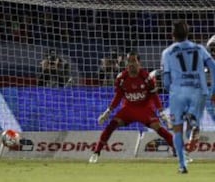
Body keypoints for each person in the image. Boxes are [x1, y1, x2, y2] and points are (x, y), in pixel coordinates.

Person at [89, 51, 174, 164]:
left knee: (159, 129)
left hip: (144, 109)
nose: (131, 64)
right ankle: (96, 153)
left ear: (139, 63)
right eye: (129, 61)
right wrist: (107, 112)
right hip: (128, 109)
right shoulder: (121, 78)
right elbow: (118, 97)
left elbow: (154, 96)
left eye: (134, 61)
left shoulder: (146, 78)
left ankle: (180, 151)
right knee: (111, 126)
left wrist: (162, 113)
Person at [161, 22, 215, 174]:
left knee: (176, 130)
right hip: (199, 90)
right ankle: (193, 121)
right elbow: (214, 67)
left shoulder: (167, 52)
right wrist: (214, 88)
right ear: (188, 34)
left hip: (178, 92)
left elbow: (165, 81)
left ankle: (182, 165)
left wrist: (170, 89)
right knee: (193, 117)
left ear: (172, 35)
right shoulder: (200, 49)